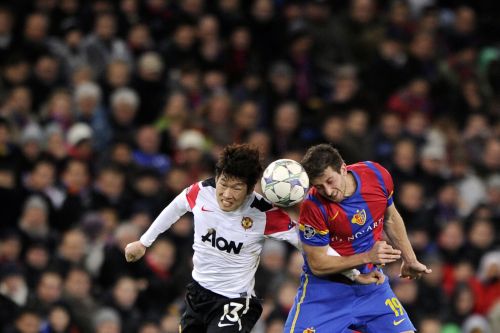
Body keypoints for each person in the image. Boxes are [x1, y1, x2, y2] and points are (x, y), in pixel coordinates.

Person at [124, 143, 384, 333]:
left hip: (236, 302)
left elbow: (311, 245)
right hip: (197, 294)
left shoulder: (265, 214)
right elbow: (174, 208)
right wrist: (144, 242)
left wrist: (354, 273)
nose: (226, 194)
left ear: (250, 189)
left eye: (236, 188)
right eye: (223, 183)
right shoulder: (200, 192)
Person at [284, 143, 432, 333]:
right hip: (325, 292)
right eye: (319, 186)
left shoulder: (376, 175)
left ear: (343, 168)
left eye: (330, 181)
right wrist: (367, 256)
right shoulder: (312, 206)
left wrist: (409, 259)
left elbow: (390, 216)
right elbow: (317, 264)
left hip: (372, 286)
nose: (328, 191)